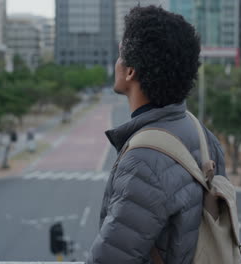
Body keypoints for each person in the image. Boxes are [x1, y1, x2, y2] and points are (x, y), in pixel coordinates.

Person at [87, 5, 226, 264]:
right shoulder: (205, 136)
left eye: (120, 56)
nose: (116, 63)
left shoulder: (143, 160)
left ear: (130, 71)